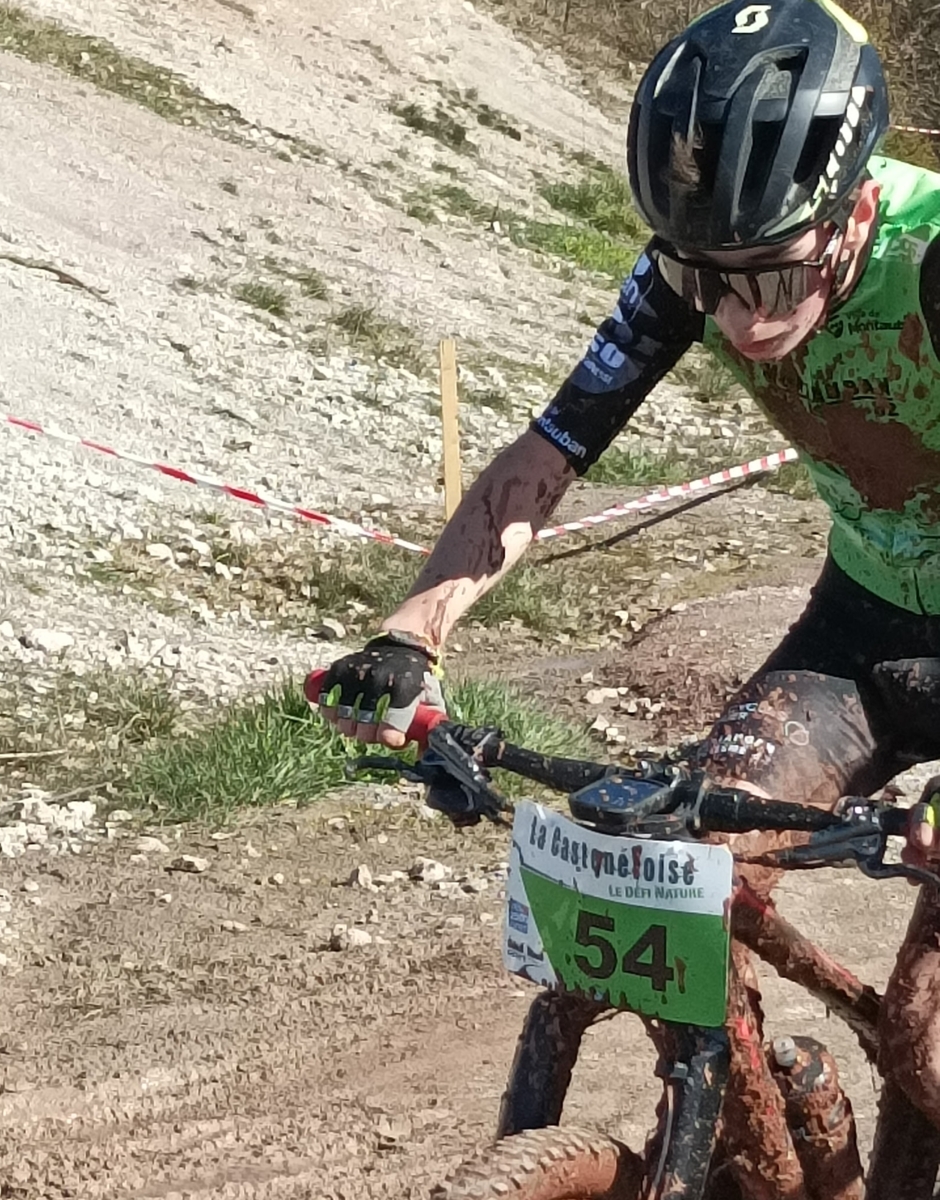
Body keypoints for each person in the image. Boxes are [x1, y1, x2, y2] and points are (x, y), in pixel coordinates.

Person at [316, 0, 940, 1171]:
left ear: (855, 208)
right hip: (859, 629)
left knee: (926, 1035)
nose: (741, 317)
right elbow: (551, 451)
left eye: (773, 277)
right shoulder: (692, 270)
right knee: (683, 877)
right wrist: (411, 634)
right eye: (709, 280)